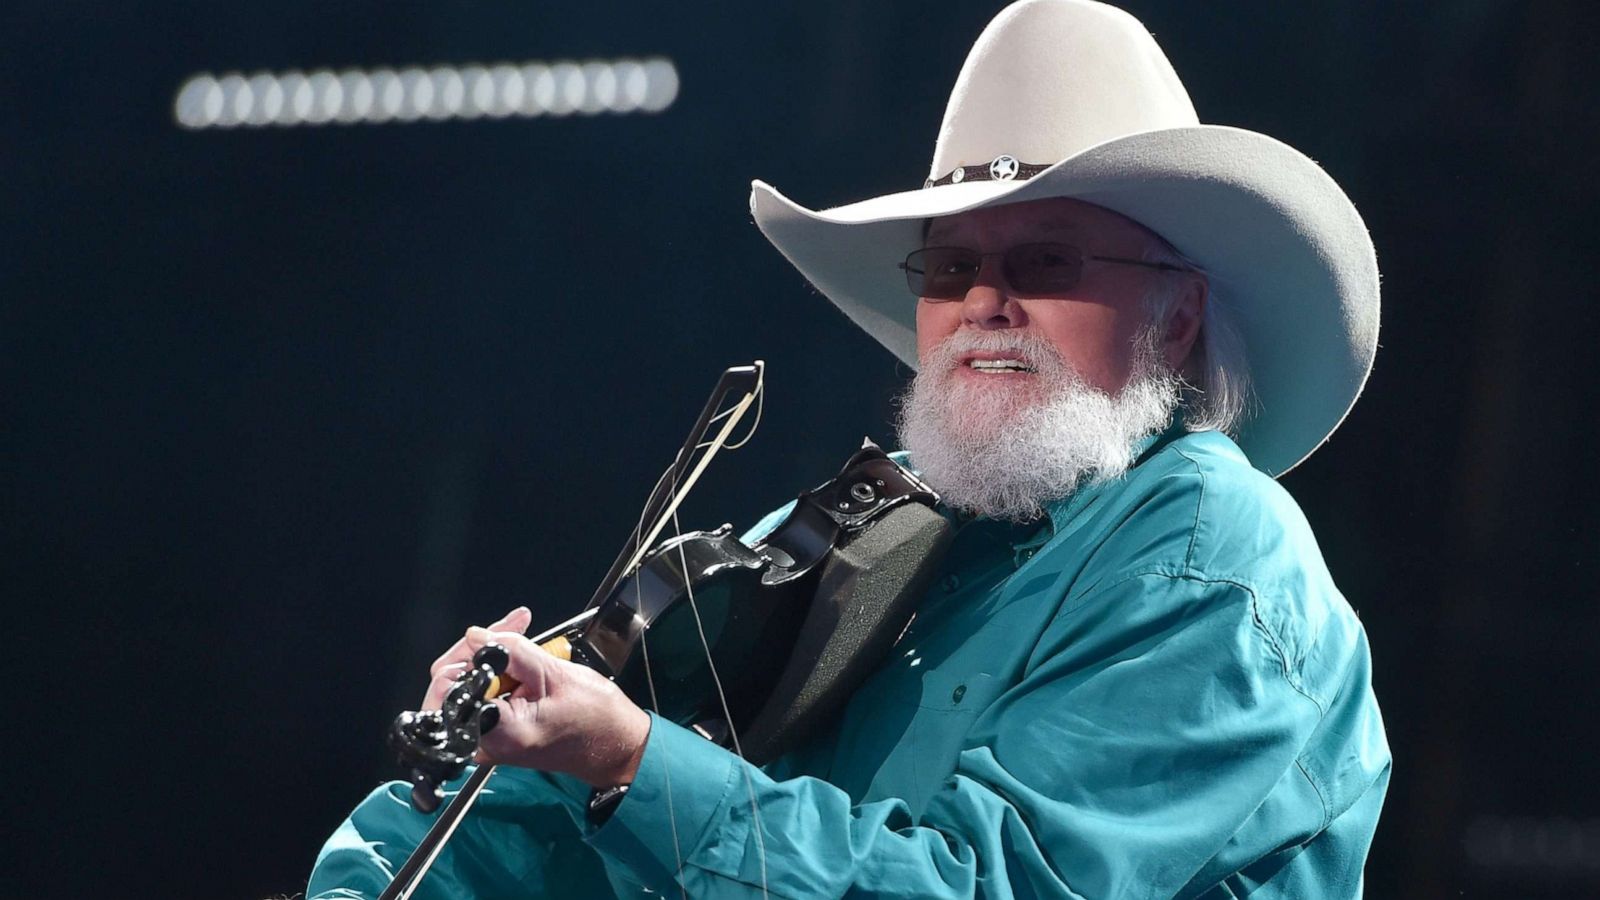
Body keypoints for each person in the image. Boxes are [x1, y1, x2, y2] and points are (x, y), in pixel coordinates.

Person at [309, 1, 1390, 896]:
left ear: (1178, 317)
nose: (984, 302)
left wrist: (630, 757)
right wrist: (490, 747)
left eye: (1047, 258)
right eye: (950, 263)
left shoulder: (1210, 546)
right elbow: (532, 802)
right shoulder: (879, 518)